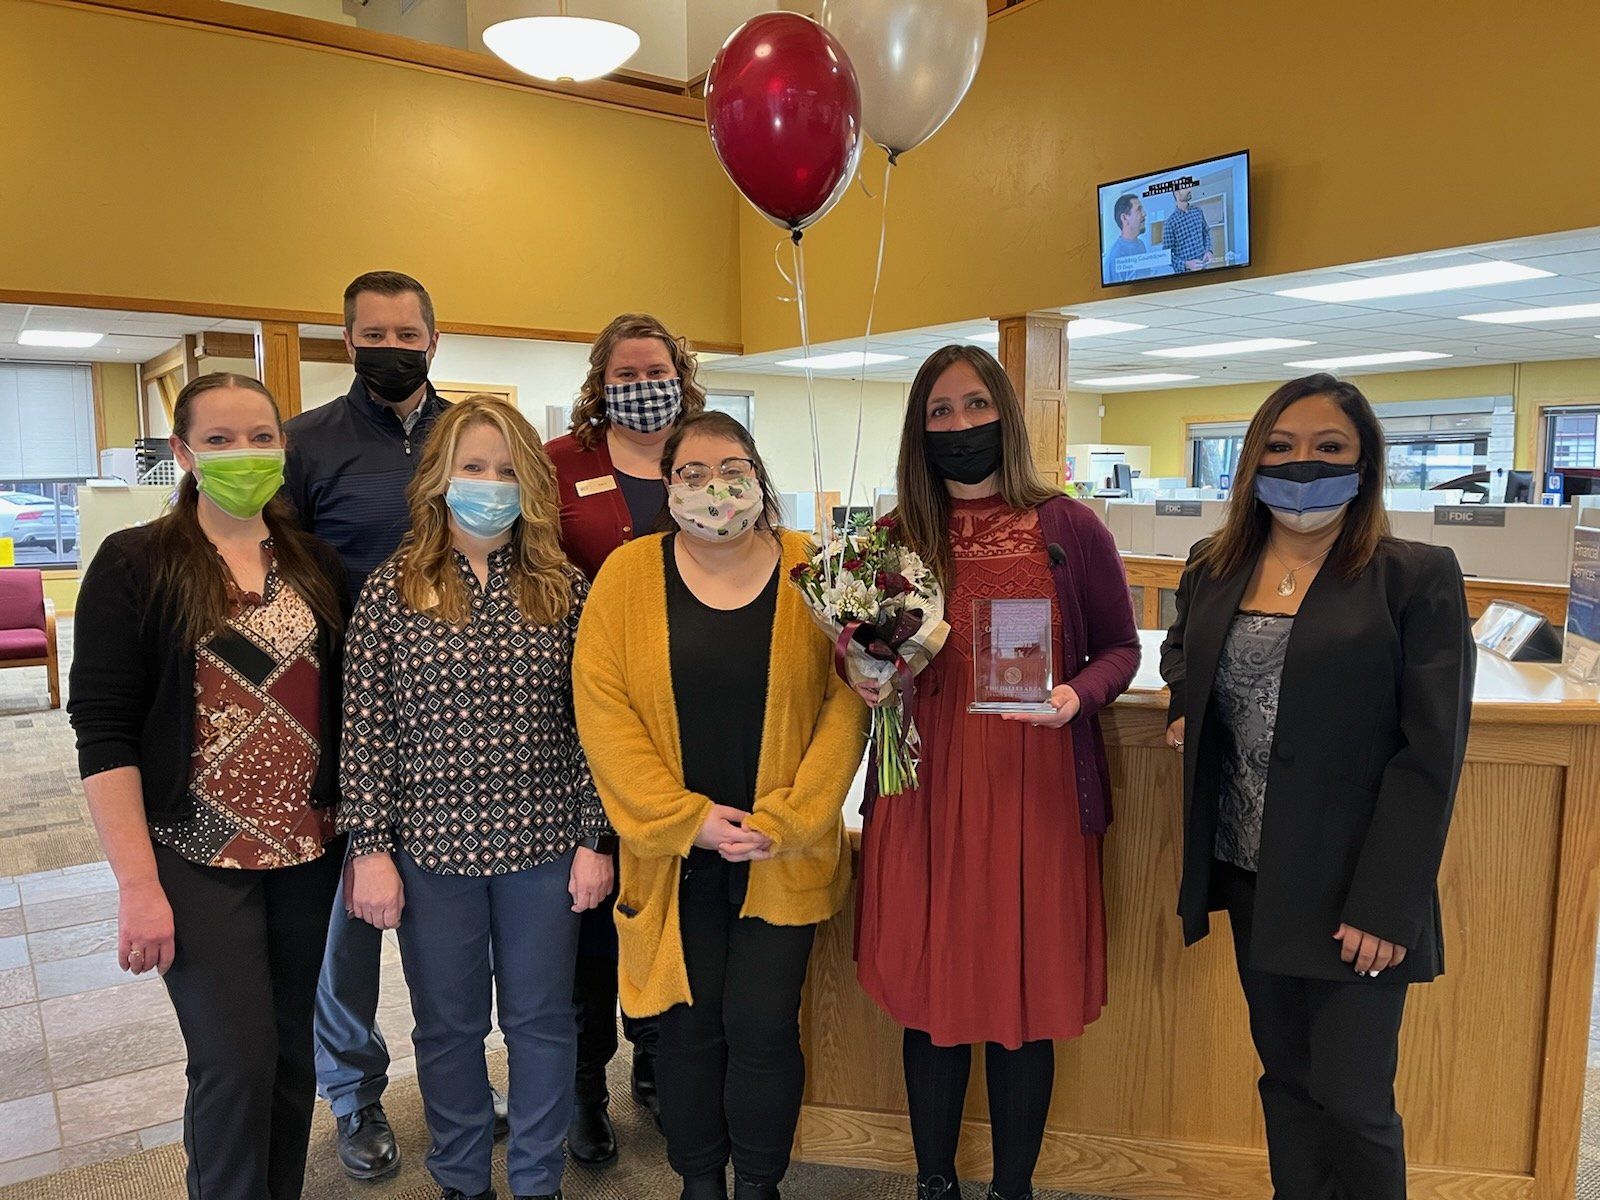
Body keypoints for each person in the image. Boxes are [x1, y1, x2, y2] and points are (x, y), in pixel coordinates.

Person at [1159, 373, 1474, 1200]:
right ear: (1251, 460)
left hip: (1353, 888)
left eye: (1329, 448)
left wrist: (1387, 902)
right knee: (1286, 1084)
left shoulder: (1415, 576)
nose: (1304, 466)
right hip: (1250, 868)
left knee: (1354, 1099)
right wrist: (1186, 707)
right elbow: (1182, 650)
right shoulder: (1215, 564)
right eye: (1281, 447)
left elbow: (1430, 753)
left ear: (1365, 465)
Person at [854, 345, 1140, 1200]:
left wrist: (1074, 696)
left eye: (976, 406)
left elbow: (1122, 649)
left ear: (1005, 416)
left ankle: (1011, 1186)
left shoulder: (1070, 527)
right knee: (931, 992)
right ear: (919, 428)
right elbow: (859, 653)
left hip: (1035, 785)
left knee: (1025, 995)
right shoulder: (890, 538)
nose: (960, 425)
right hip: (924, 788)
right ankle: (932, 1181)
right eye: (939, 411)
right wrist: (863, 672)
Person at [68, 373, 349, 1200]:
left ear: (284, 448)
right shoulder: (137, 562)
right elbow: (104, 728)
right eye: (220, 440)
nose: (244, 453)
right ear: (185, 454)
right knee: (235, 1060)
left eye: (261, 436)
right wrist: (135, 885)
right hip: (192, 852)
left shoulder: (314, 562)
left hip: (307, 850)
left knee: (293, 1055)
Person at [573, 411, 866, 1200]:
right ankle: (699, 1181)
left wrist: (796, 816)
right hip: (675, 855)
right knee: (688, 1035)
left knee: (765, 1030)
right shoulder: (628, 576)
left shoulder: (819, 569)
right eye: (693, 473)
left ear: (759, 476)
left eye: (732, 469)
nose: (715, 489)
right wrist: (684, 819)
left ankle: (761, 1185)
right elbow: (602, 711)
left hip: (784, 851)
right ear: (666, 485)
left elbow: (851, 698)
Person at [341, 395, 613, 1200]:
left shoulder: (566, 589)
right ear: (439, 478)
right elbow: (367, 732)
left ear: (529, 482)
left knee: (541, 1024)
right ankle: (463, 1179)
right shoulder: (392, 592)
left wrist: (595, 840)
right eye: (472, 466)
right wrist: (371, 851)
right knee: (449, 1029)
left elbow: (598, 725)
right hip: (432, 852)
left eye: (504, 469)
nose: (488, 483)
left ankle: (537, 1180)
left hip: (546, 847)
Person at [282, 270, 496, 1180]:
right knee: (353, 919)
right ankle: (355, 1089)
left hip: (469, 725)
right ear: (348, 342)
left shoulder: (472, 441)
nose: (390, 347)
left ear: (433, 340)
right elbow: (275, 578)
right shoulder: (306, 445)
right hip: (349, 716)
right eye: (372, 334)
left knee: (462, 912)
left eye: (407, 332)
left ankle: (459, 1081)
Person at [545, 312, 708, 1160]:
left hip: (688, 715)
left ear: (680, 373)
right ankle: (583, 1085)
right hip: (586, 711)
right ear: (600, 380)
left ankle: (654, 1055)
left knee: (666, 893)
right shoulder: (561, 465)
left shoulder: (706, 453)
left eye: (658, 369)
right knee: (590, 905)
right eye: (626, 372)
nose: (644, 385)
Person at [1162, 184, 1213, 273]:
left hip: (1204, 270)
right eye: (1185, 188)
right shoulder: (1170, 223)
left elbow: (1206, 233)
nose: (1189, 189)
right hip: (1185, 276)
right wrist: (1186, 264)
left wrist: (1208, 251)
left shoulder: (1198, 211)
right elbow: (1167, 256)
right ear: (1177, 193)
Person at [1103, 193, 1150, 281]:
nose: (1144, 214)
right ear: (1124, 218)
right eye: (1139, 210)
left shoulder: (1141, 244)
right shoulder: (1115, 255)